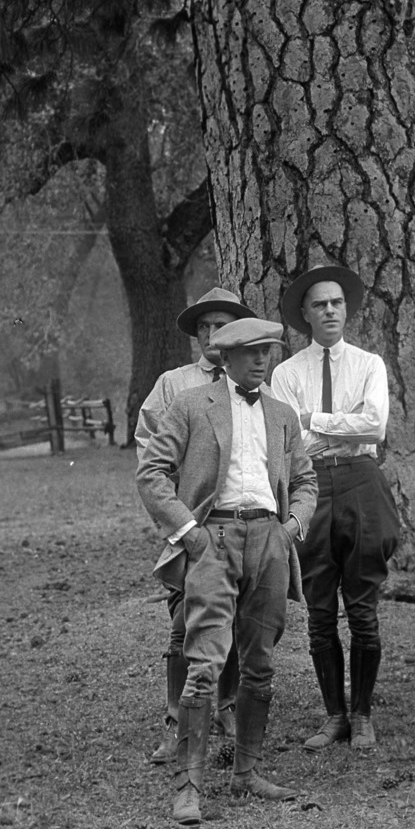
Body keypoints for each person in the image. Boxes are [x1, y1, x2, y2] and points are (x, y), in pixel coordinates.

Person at [136, 317, 318, 823]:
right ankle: (189, 786)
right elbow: (151, 473)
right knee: (205, 661)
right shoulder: (192, 405)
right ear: (225, 357)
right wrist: (188, 533)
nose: (263, 360)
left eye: (269, 351)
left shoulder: (282, 414)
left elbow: (305, 480)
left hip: (270, 541)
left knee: (260, 662)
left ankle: (247, 772)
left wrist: (291, 527)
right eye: (252, 351)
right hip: (211, 539)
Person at [268, 262, 400, 754]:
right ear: (304, 314)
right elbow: (289, 441)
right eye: (319, 304)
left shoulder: (369, 365)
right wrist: (323, 430)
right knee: (320, 609)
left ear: (347, 310)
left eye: (336, 303)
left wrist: (315, 421)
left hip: (362, 482)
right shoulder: (285, 373)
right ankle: (334, 716)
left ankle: (363, 714)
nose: (329, 311)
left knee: (363, 608)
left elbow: (375, 426)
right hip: (309, 489)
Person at [134, 286, 254, 764]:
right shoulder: (174, 383)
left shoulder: (252, 378)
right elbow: (150, 453)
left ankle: (226, 708)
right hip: (191, 522)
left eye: (220, 326)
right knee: (185, 622)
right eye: (203, 327)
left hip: (241, 518)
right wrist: (177, 514)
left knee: (235, 616)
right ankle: (176, 721)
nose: (211, 334)